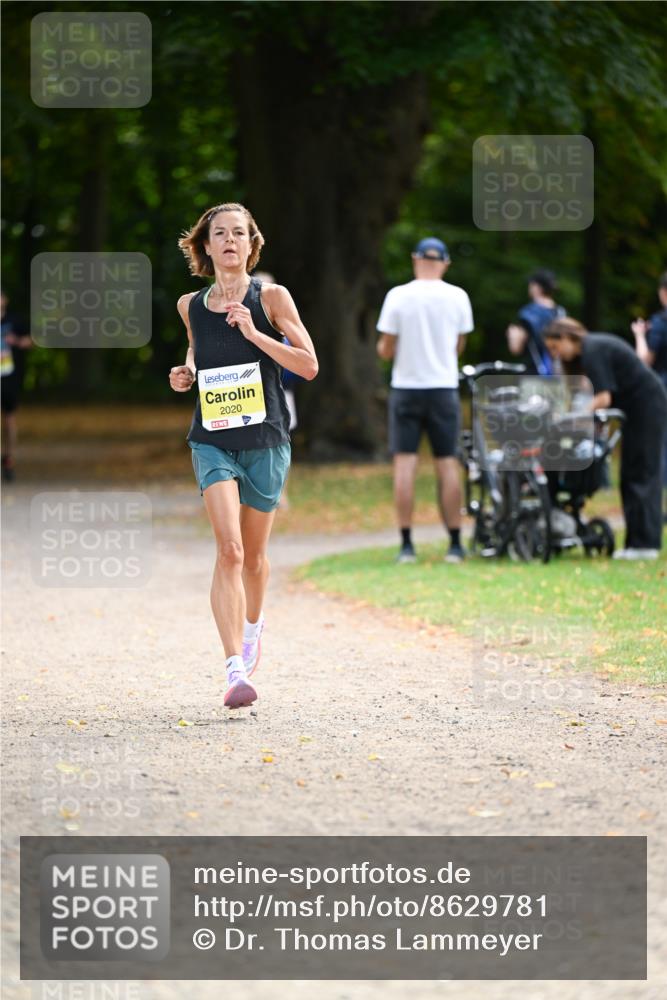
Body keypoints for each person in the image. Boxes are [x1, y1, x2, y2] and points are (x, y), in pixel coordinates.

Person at [171, 203, 318, 708]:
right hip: (212, 437)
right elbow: (198, 349)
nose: (230, 240)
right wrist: (186, 370)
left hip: (266, 439)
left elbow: (309, 364)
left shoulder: (272, 296)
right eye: (220, 233)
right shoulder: (190, 304)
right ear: (205, 246)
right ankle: (234, 669)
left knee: (254, 557)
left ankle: (254, 626)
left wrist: (256, 334)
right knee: (229, 550)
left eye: (239, 233)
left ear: (252, 244)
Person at [376, 237, 473, 564]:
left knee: (405, 465)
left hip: (406, 388)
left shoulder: (398, 296)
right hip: (443, 388)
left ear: (416, 259)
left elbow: (386, 348)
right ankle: (456, 544)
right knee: (448, 463)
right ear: (445, 263)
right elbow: (459, 345)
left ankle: (406, 544)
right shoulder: (458, 296)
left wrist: (388, 350)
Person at [544, 317, 667, 559]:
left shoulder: (593, 349)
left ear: (567, 337)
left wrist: (571, 418)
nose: (556, 355)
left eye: (555, 348)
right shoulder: (589, 351)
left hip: (646, 407)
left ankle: (645, 545)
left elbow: (603, 398)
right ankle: (637, 543)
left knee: (642, 472)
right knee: (631, 473)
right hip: (635, 410)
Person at [631, 271, 667, 517]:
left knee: (660, 449)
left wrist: (639, 335)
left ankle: (657, 509)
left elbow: (644, 360)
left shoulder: (661, 322)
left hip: (662, 390)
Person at [506, 269, 565, 376]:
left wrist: (513, 335)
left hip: (534, 374)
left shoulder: (528, 313)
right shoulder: (561, 313)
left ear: (537, 288)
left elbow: (515, 348)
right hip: (559, 375)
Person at [1, 291, 32, 482]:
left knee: (9, 419)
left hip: (9, 376)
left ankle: (8, 457)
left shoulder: (15, 320)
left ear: (5, 299)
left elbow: (32, 340)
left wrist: (18, 341)